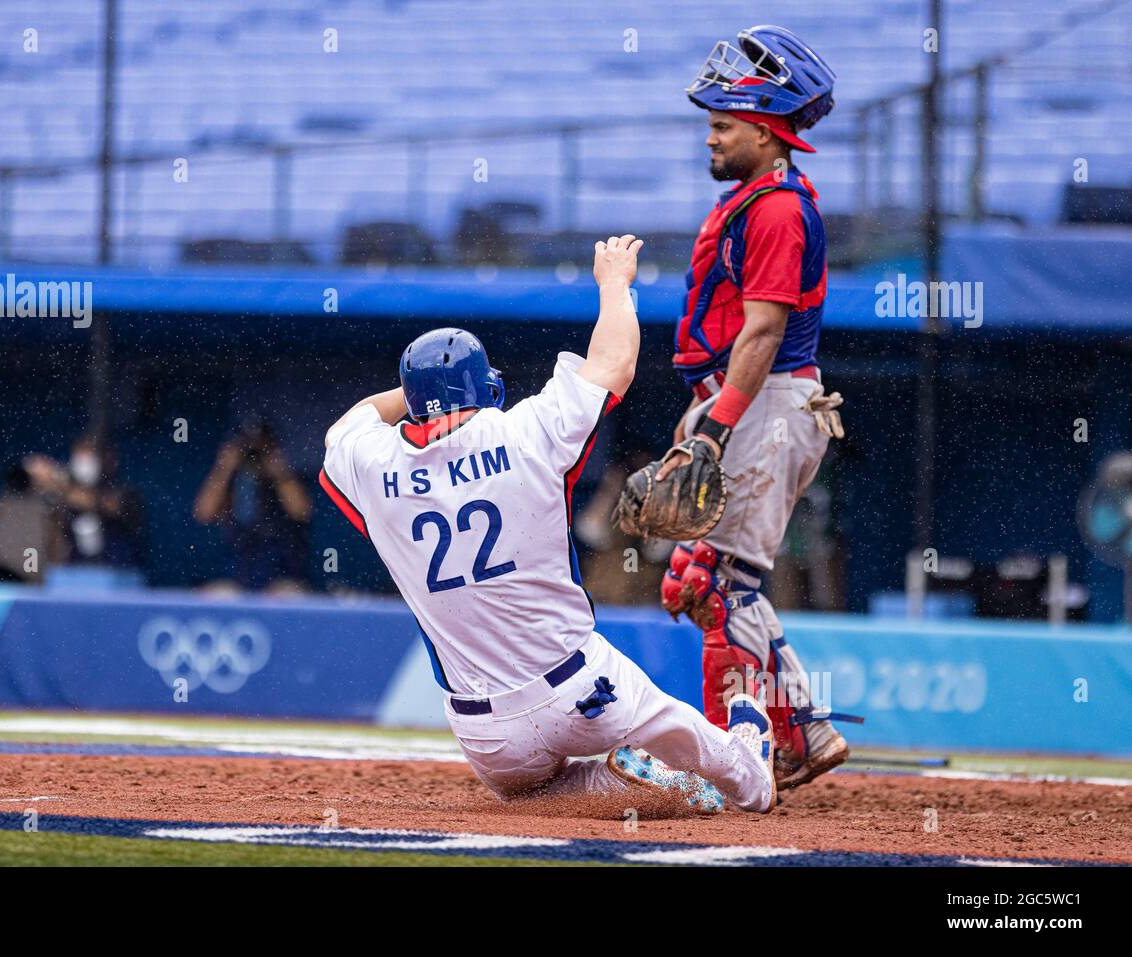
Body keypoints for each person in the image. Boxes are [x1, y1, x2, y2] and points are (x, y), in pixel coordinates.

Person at [319, 235, 777, 816]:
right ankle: (746, 773)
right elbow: (615, 363)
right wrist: (614, 283)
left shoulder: (370, 460)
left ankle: (615, 785)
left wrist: (418, 394)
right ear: (483, 389)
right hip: (583, 690)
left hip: (486, 733)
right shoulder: (524, 430)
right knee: (713, 754)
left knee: (529, 797)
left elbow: (349, 422)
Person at [658, 25, 860, 791]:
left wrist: (714, 428)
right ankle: (791, 730)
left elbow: (764, 331)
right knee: (700, 580)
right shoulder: (756, 198)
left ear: (768, 134)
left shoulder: (775, 208)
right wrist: (706, 412)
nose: (709, 138)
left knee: (711, 583)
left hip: (768, 402)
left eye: (723, 126)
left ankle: (777, 739)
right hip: (750, 400)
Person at [193, 415, 312, 592]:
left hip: (281, 575)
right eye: (248, 451)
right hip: (236, 575)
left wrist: (278, 470)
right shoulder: (230, 484)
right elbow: (203, 513)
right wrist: (224, 469)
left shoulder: (285, 482)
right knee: (217, 597)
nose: (254, 456)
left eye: (261, 449)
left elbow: (302, 512)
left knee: (289, 596)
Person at [25, 434, 146, 570]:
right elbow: (55, 553)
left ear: (110, 459)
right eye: (80, 454)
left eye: (90, 454)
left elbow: (105, 504)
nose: (84, 461)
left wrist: (54, 480)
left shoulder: (125, 491)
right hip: (74, 578)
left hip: (120, 578)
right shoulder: (61, 496)